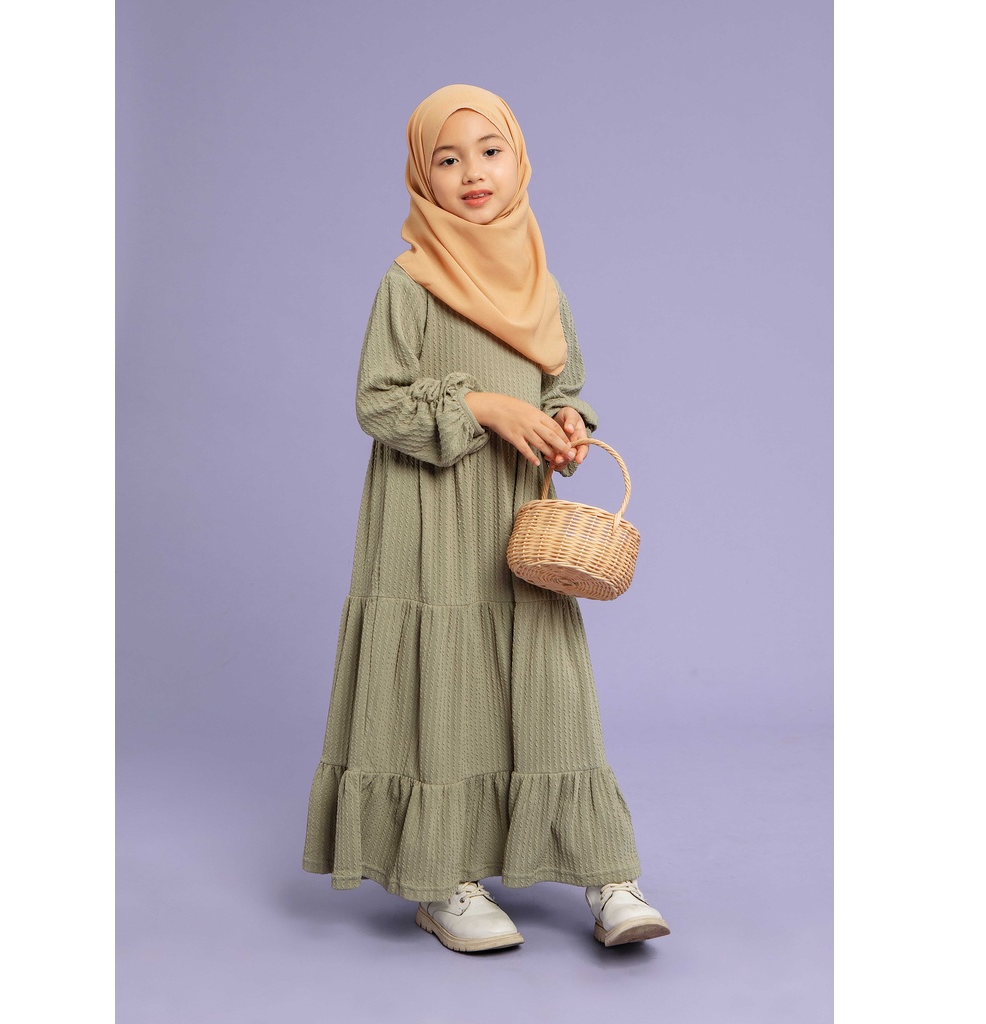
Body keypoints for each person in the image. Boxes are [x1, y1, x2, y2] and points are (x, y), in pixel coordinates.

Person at [302, 84, 669, 953]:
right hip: (428, 516)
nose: (473, 173)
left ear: (519, 160)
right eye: (448, 158)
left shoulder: (543, 282)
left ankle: (605, 873)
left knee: (549, 684)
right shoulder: (409, 282)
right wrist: (483, 407)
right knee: (443, 680)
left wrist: (568, 422)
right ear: (420, 175)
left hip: (517, 514)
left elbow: (563, 383)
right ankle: (444, 882)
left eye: (491, 151)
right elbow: (377, 402)